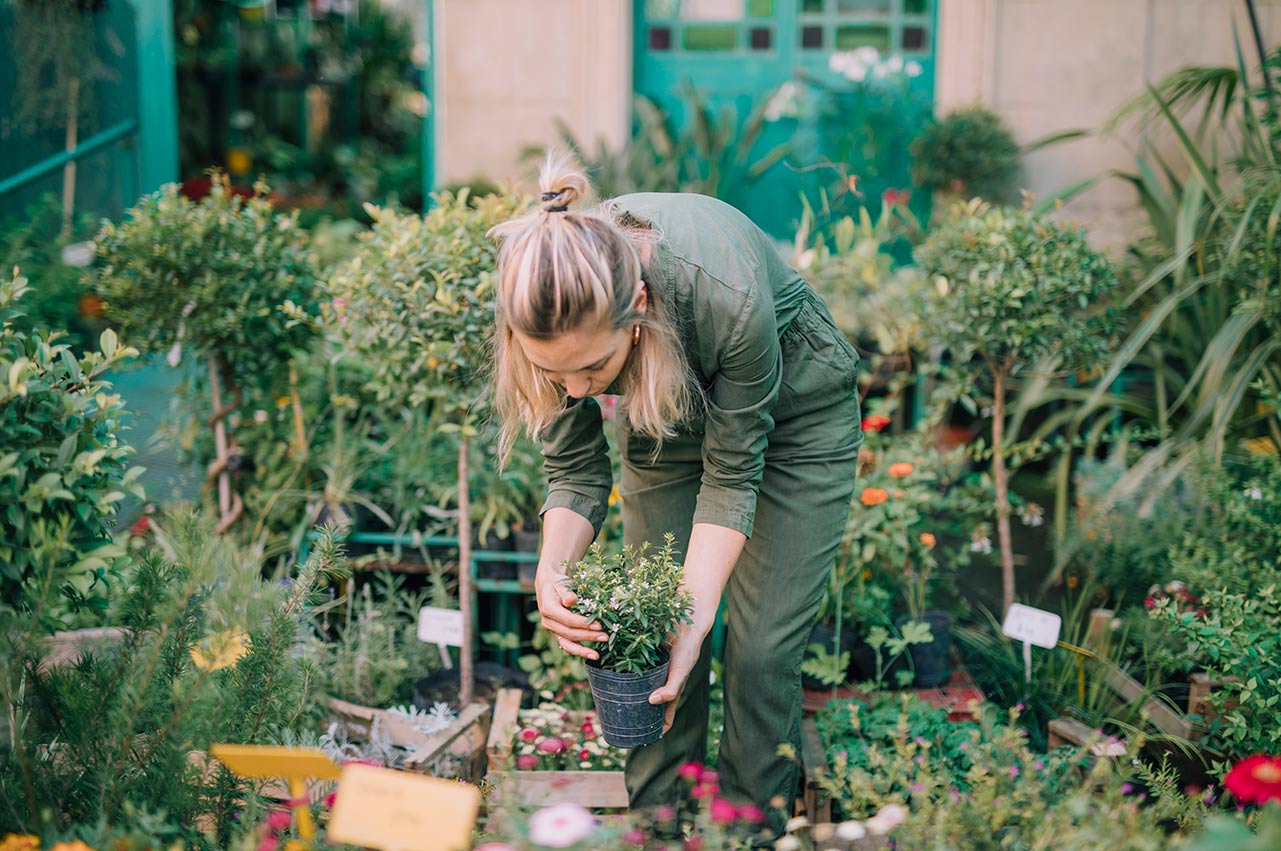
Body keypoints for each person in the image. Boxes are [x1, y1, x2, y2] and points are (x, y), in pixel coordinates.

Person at [488, 155, 862, 810]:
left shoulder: (721, 288)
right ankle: (657, 824)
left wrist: (698, 615)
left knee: (757, 652)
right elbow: (573, 469)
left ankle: (748, 825)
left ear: (635, 306)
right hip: (663, 415)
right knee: (653, 633)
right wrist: (552, 572)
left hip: (797, 422)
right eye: (556, 375)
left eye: (590, 367)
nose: (575, 390)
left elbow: (734, 469)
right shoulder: (540, 306)